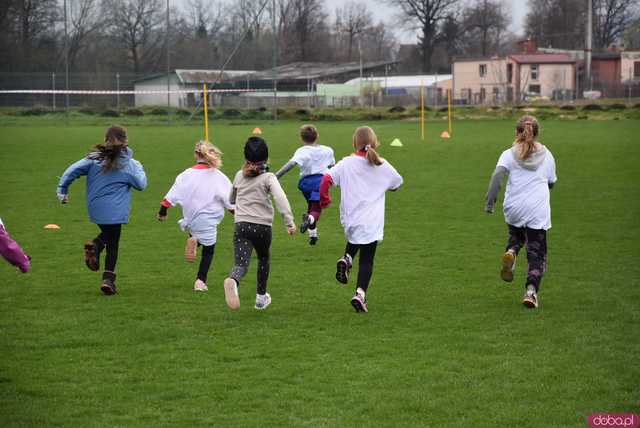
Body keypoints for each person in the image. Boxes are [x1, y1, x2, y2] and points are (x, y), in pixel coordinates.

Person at [320, 126, 403, 313]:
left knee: (355, 237)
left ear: (354, 143)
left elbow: (326, 179)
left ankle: (347, 258)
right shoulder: (381, 164)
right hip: (372, 221)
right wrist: (385, 185)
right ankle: (360, 294)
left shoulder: (346, 163)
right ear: (375, 142)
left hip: (350, 219)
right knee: (367, 259)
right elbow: (397, 183)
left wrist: (325, 199)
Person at [56, 125, 147, 295]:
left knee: (109, 235)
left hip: (95, 208)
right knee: (113, 243)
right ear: (126, 141)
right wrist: (139, 167)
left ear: (106, 139)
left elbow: (72, 170)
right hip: (115, 210)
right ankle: (107, 278)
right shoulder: (129, 165)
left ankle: (97, 248)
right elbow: (141, 185)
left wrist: (62, 190)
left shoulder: (93, 160)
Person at [485, 115, 557, 309]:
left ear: (517, 132)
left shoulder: (508, 154)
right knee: (536, 253)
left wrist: (490, 203)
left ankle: (511, 252)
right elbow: (551, 182)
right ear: (536, 133)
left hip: (514, 207)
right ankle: (531, 293)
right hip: (537, 210)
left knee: (516, 236)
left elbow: (497, 176)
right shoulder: (547, 155)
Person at [223, 136, 296, 311]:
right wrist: (289, 221)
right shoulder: (269, 177)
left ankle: (233, 280)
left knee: (241, 264)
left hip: (241, 226)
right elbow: (280, 198)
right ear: (266, 158)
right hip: (262, 227)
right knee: (264, 258)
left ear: (246, 158)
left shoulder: (239, 175)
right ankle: (261, 298)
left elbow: (231, 199)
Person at [157, 141, 234, 292]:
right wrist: (236, 213)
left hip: (190, 219)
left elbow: (171, 195)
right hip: (209, 218)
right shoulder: (219, 177)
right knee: (209, 250)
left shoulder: (185, 174)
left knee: (198, 233)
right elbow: (229, 200)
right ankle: (200, 281)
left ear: (195, 155)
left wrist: (162, 211)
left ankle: (195, 240)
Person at [275, 124, 334, 245]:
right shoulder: (328, 150)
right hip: (321, 183)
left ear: (301, 138)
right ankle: (310, 220)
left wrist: (276, 176)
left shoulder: (302, 151)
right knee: (316, 210)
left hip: (306, 183)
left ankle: (313, 236)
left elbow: (290, 164)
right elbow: (333, 166)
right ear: (317, 136)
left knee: (312, 207)